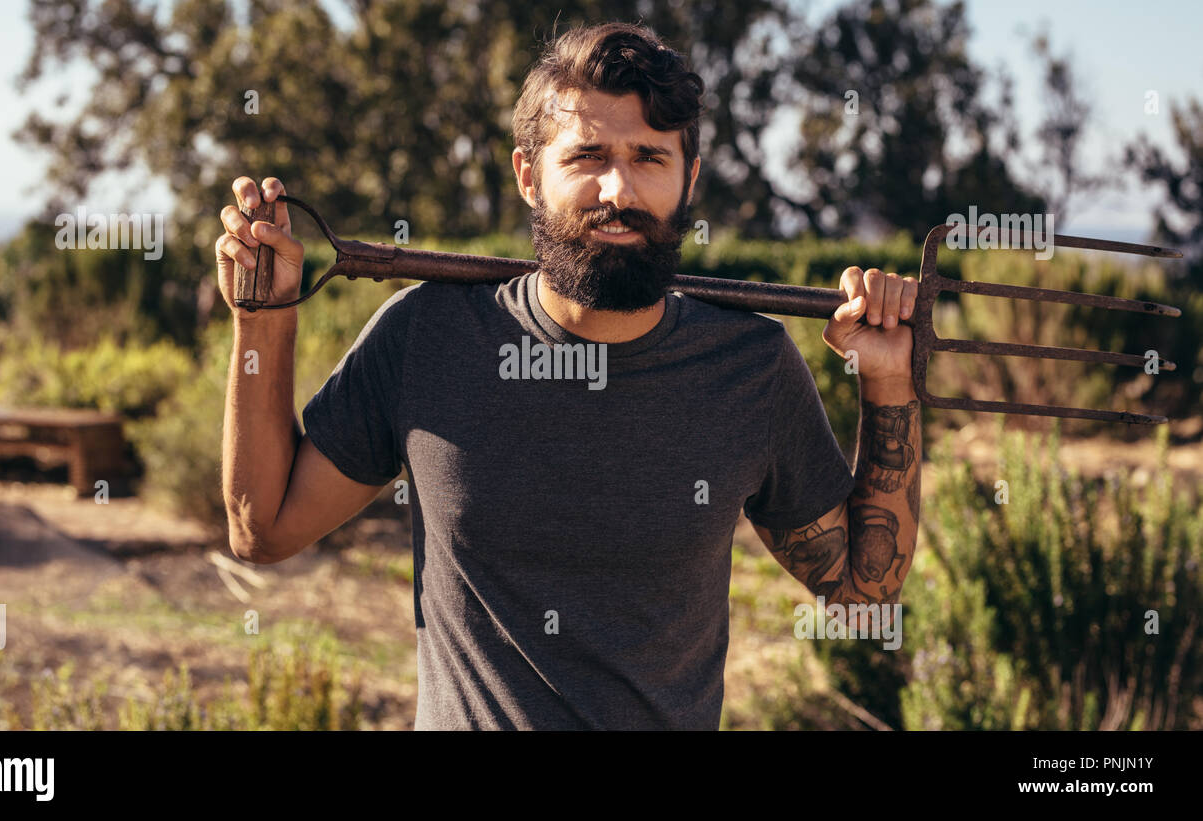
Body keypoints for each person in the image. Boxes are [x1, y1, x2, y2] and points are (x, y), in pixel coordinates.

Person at [214, 22, 922, 730]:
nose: (618, 188)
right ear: (529, 174)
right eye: (587, 154)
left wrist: (889, 381)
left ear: (689, 179)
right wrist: (263, 315)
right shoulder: (426, 338)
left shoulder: (750, 368)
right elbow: (263, 528)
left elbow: (864, 594)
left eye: (650, 156)